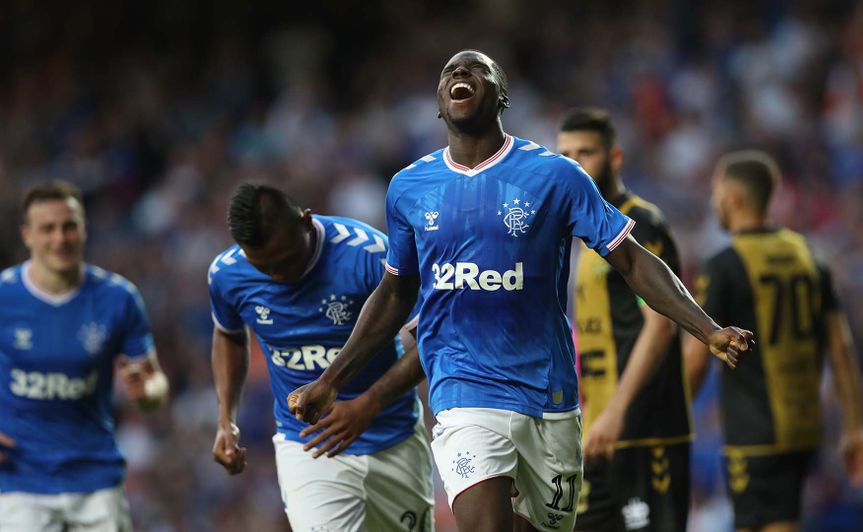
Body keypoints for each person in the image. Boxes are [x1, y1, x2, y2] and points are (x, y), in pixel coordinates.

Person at [290, 49, 752, 532]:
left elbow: (632, 260)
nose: (460, 72)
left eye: (477, 68)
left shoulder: (555, 176)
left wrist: (708, 329)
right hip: (463, 392)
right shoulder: (409, 187)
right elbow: (395, 291)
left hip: (548, 397)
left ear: (502, 96)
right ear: (440, 105)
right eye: (450, 71)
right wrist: (332, 380)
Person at [207, 183, 433, 531]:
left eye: (286, 260)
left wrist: (369, 403)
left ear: (307, 222)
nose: (278, 276)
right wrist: (226, 419)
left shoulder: (369, 254)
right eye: (264, 268)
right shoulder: (227, 275)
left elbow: (432, 339)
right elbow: (229, 335)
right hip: (309, 446)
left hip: (393, 436)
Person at [685, 151, 863, 532]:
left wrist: (667, 419)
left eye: (716, 193)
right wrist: (856, 427)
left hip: (755, 428)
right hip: (803, 427)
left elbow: (696, 358)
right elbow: (841, 347)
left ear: (734, 198)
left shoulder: (724, 265)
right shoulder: (809, 256)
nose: (713, 201)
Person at [0, 180, 169, 531]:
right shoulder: (4, 296)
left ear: (84, 229)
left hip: (95, 479)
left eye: (69, 226)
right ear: (27, 235)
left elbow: (155, 384)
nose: (60, 238)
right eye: (47, 228)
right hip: (20, 481)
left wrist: (146, 392)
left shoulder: (118, 298)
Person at [558, 108, 692, 531]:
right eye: (565, 155)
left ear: (614, 157)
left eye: (586, 153)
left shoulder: (640, 224)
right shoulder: (583, 234)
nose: (575, 165)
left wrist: (616, 411)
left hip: (644, 431)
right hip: (599, 431)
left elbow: (660, 324)